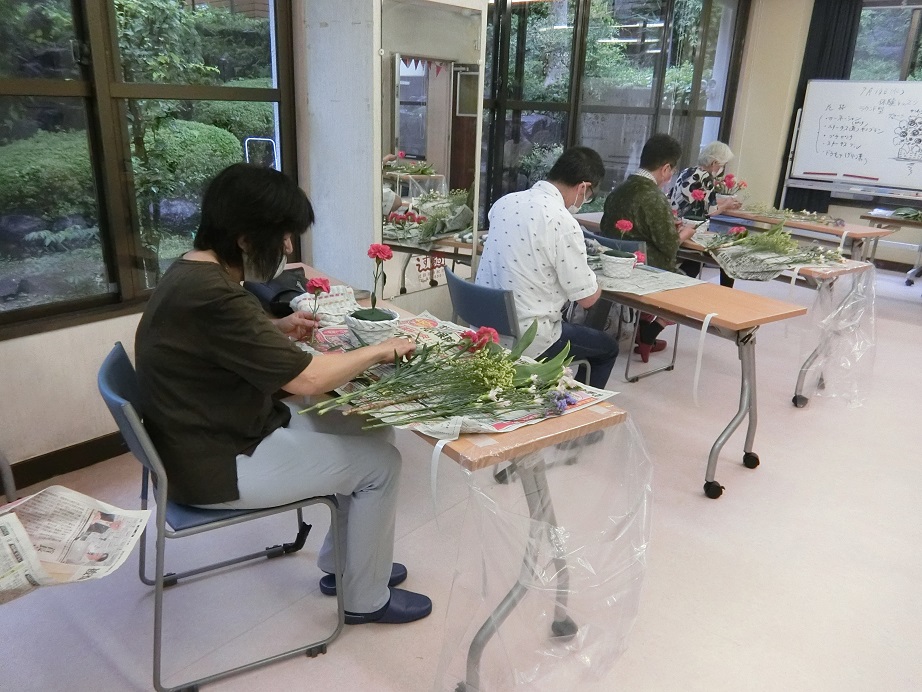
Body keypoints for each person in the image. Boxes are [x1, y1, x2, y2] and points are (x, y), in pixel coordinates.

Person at [135, 163, 431, 626]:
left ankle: (345, 564)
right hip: (216, 464)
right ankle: (365, 600)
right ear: (245, 239)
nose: (289, 247)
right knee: (382, 466)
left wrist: (273, 329)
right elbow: (310, 380)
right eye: (284, 236)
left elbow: (213, 343)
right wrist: (380, 350)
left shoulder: (192, 271)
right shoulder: (216, 296)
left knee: (371, 430)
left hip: (213, 430)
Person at [475, 146, 619, 390]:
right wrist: (600, 281)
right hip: (529, 337)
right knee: (608, 348)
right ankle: (578, 407)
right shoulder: (562, 221)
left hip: (487, 326)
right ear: (582, 187)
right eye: (589, 195)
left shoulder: (504, 203)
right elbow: (587, 299)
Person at [599, 133, 696, 362]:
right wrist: (685, 232)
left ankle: (643, 326)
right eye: (672, 171)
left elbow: (610, 228)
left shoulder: (618, 191)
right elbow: (670, 247)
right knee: (692, 283)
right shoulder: (654, 197)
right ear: (665, 168)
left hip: (615, 265)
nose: (670, 176)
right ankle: (651, 330)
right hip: (645, 270)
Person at [668, 141, 741, 287]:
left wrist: (724, 202)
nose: (722, 169)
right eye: (722, 165)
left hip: (677, 223)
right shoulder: (706, 177)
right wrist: (726, 204)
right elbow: (711, 211)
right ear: (714, 163)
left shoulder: (688, 171)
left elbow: (697, 201)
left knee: (696, 260)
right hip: (693, 229)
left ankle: (680, 281)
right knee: (727, 253)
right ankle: (726, 292)